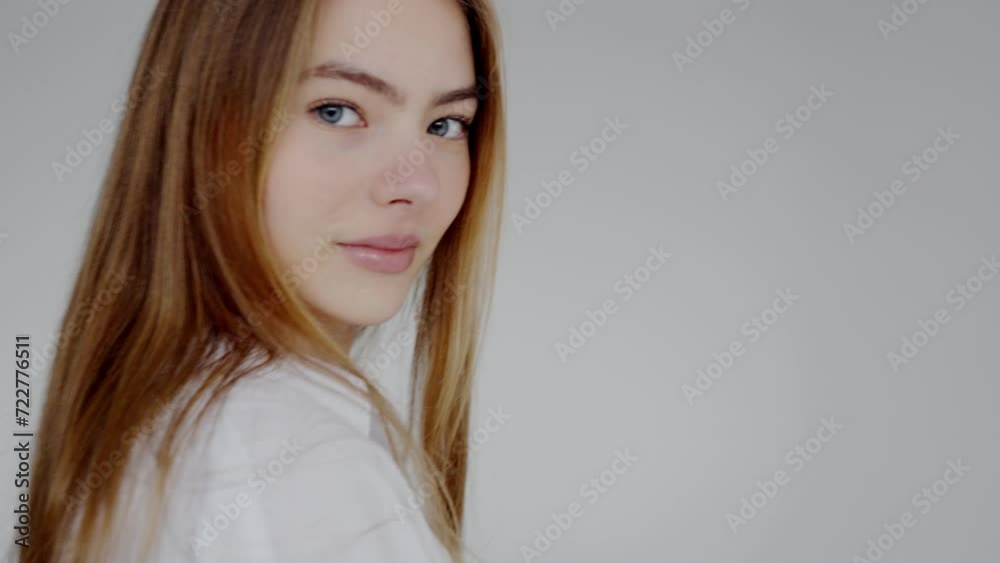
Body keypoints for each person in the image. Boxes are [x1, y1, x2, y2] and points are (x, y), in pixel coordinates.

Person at [18, 0, 505, 561]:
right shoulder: (297, 460)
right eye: (337, 111)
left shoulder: (143, 425)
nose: (415, 184)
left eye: (445, 124)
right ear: (204, 126)